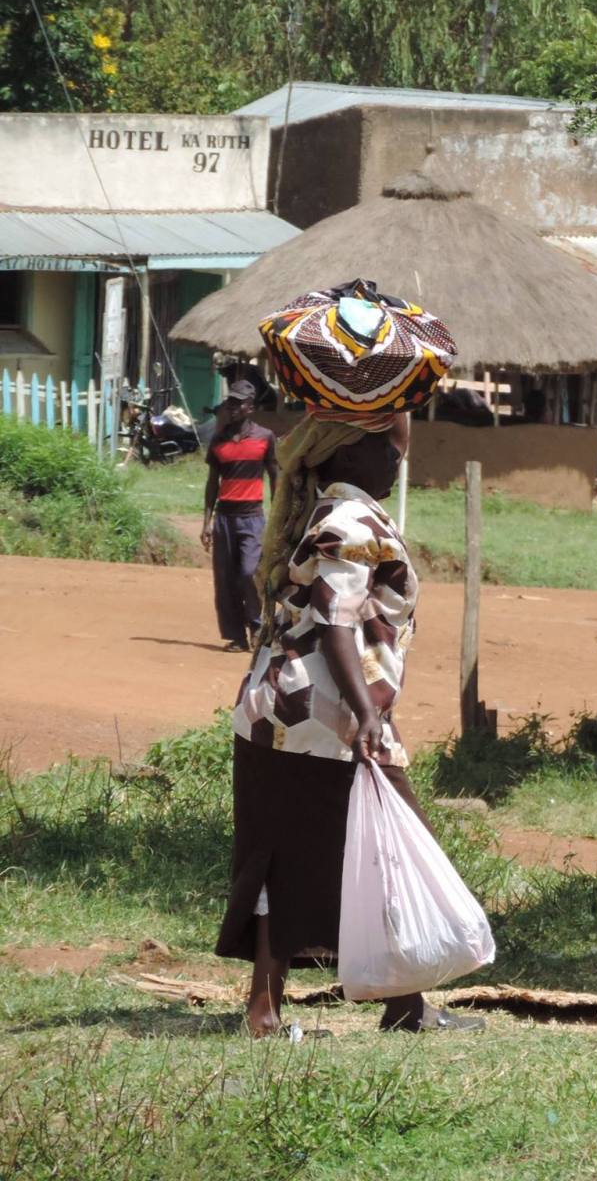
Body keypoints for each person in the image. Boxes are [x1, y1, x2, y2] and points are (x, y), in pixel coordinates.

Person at [215, 410, 481, 1036]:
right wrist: (366, 715)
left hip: (276, 715)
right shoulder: (351, 522)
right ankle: (399, 1006)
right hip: (327, 718)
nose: (397, 463)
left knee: (282, 857)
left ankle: (276, 1009)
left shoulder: (326, 514)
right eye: (388, 452)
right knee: (389, 847)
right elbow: (337, 622)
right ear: (347, 453)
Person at [202, 377, 278, 651]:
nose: (232, 407)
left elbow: (275, 476)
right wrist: (207, 522)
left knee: (248, 573)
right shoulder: (218, 440)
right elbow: (212, 483)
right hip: (224, 518)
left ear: (250, 407)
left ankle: (257, 626)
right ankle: (236, 636)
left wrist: (278, 514)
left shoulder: (265, 438)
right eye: (229, 403)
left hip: (252, 518)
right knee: (225, 579)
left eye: (238, 403)